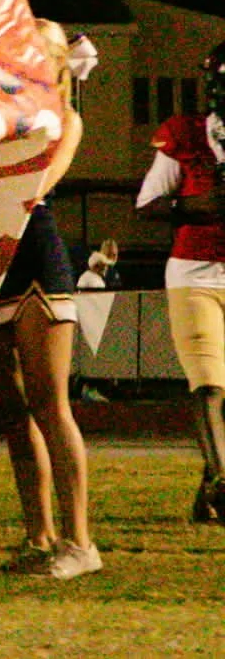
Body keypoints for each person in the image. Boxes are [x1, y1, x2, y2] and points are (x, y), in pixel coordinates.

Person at [0, 20, 98, 578]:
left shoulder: (65, 119)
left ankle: (80, 542)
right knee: (10, 407)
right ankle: (39, 536)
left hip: (32, 249)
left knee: (50, 401)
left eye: (31, 53)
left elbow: (38, 182)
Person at [134, 39, 225, 525]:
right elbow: (147, 204)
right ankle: (224, 481)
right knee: (209, 385)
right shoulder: (186, 134)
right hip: (196, 272)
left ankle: (210, 486)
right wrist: (196, 206)